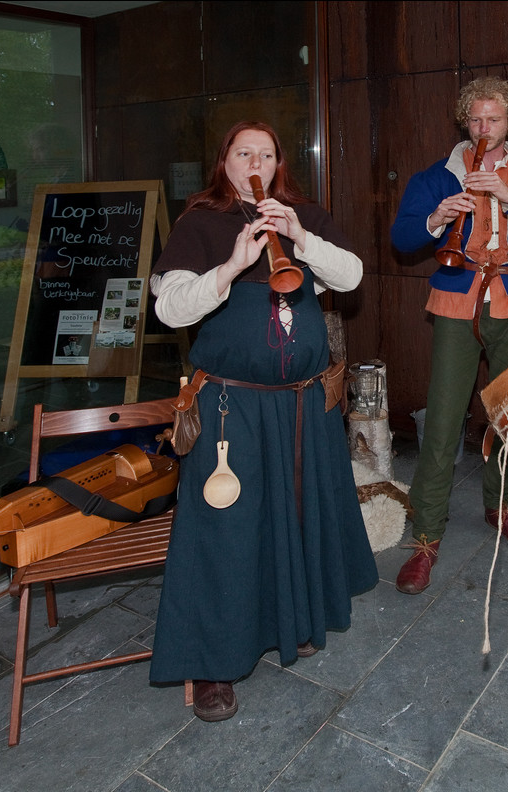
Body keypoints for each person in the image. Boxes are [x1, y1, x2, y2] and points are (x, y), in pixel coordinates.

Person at [148, 121, 378, 722]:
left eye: (267, 154)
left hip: (302, 404)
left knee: (294, 513)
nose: (256, 162)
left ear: (280, 164)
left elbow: (350, 278)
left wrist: (298, 236)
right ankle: (212, 663)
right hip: (233, 408)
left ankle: (291, 620)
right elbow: (170, 308)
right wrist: (230, 266)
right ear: (224, 160)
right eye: (244, 152)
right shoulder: (200, 221)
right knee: (226, 529)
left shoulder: (301, 216)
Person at [390, 76, 508, 595]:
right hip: (456, 302)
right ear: (464, 122)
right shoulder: (436, 176)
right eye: (475, 120)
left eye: (493, 120)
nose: (484, 129)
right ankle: (426, 536)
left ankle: (499, 507)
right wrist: (435, 217)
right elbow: (400, 238)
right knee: (444, 416)